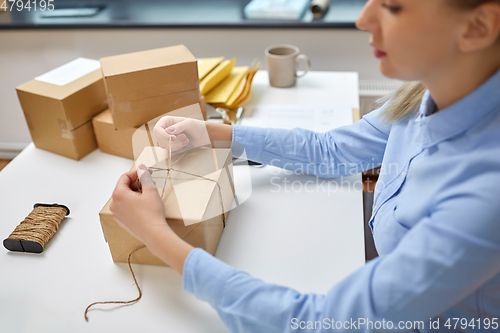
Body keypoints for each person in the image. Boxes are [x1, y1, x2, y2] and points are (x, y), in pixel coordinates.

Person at [109, 0, 500, 331]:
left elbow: (316, 322)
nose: (363, 19)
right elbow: (332, 149)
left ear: (479, 26)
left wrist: (155, 234)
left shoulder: (486, 193)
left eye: (393, 6)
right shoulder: (428, 92)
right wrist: (215, 132)